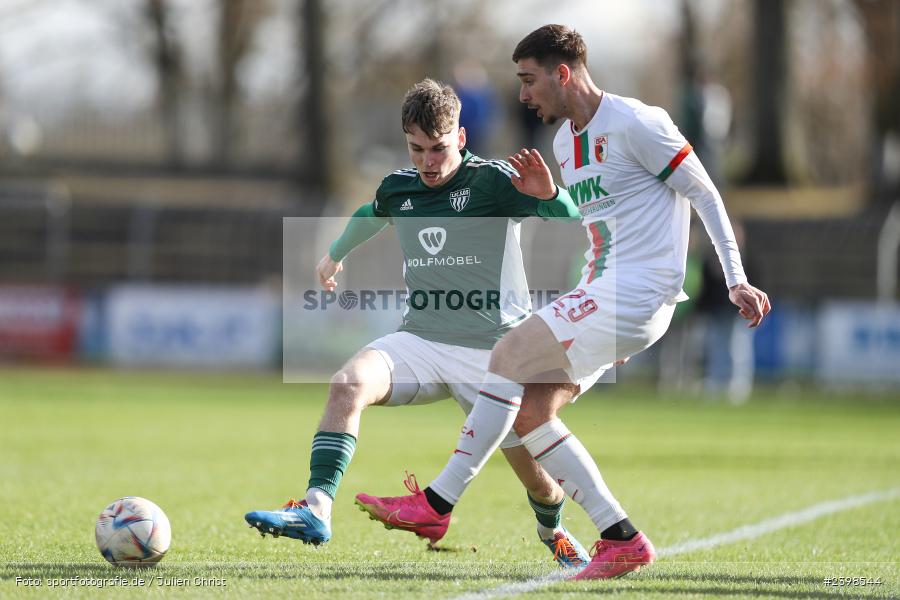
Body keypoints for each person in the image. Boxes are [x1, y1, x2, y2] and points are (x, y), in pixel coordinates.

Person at [356, 25, 771, 580]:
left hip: (639, 290)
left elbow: (704, 192)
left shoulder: (638, 123)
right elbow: (599, 232)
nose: (523, 95)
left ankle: (438, 504)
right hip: (606, 298)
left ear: (563, 73)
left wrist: (734, 278)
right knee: (529, 414)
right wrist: (551, 200)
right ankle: (621, 537)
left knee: (504, 355)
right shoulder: (561, 145)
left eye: (529, 81)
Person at [244, 78, 597, 568]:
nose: (428, 162)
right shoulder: (399, 187)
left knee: (538, 480)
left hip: (495, 356)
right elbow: (373, 214)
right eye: (417, 149)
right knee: (347, 384)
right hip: (421, 342)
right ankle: (317, 509)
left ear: (462, 138)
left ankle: (552, 529)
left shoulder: (495, 182)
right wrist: (333, 256)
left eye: (438, 148)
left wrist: (552, 193)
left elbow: (571, 214)